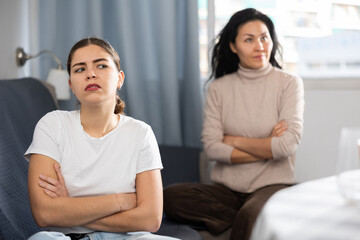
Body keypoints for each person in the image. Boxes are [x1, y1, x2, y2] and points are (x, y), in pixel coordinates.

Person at [163, 8, 304, 240]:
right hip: (226, 191)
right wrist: (267, 146)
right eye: (249, 39)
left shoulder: (289, 84)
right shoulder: (219, 88)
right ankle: (255, 217)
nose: (259, 46)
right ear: (233, 46)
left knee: (251, 214)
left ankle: (252, 215)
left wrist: (234, 141)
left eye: (264, 37)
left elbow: (286, 146)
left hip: (272, 185)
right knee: (170, 197)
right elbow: (212, 148)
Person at [25, 37, 179, 240]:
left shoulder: (141, 133)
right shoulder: (52, 125)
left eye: (101, 66)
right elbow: (44, 214)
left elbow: (150, 219)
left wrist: (70, 208)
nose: (90, 74)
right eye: (80, 69)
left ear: (120, 78)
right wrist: (121, 201)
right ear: (71, 84)